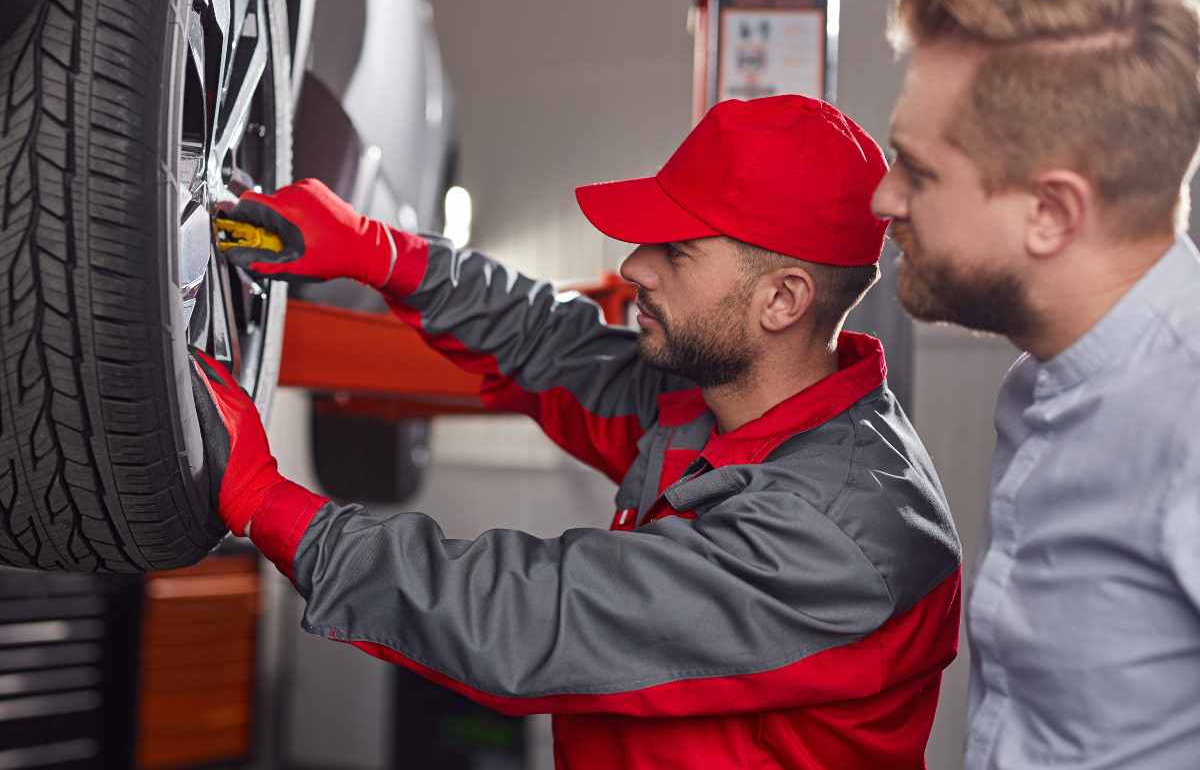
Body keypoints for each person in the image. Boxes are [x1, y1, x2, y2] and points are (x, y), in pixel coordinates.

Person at [194, 94, 961, 769]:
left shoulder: (839, 534)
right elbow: (553, 346)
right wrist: (381, 251)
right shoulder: (718, 400)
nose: (634, 266)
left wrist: (268, 501)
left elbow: (528, 623)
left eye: (676, 250)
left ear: (782, 299)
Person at [871, 0, 1200, 768]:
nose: (884, 198)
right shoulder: (1037, 384)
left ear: (1051, 212)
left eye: (916, 171)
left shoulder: (1186, 423)